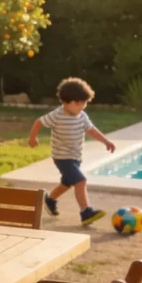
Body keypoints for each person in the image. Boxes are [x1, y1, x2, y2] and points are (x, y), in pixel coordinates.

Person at [28, 77, 116, 226]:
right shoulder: (57, 115)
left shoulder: (82, 116)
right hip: (62, 157)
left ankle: (50, 200)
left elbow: (91, 130)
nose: (82, 106)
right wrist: (32, 138)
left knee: (66, 183)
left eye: (85, 103)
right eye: (78, 103)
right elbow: (39, 122)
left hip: (75, 157)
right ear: (65, 102)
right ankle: (85, 212)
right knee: (80, 181)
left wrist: (105, 141)